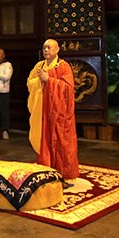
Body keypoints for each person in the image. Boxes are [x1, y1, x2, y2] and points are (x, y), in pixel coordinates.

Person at [26, 38, 79, 180]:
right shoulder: (39, 66)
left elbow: (68, 89)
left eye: (49, 47)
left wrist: (48, 80)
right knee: (43, 139)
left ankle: (63, 173)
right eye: (44, 47)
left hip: (59, 114)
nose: (46, 50)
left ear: (57, 49)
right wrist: (40, 80)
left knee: (61, 143)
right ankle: (46, 170)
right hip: (43, 110)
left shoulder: (64, 67)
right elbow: (30, 83)